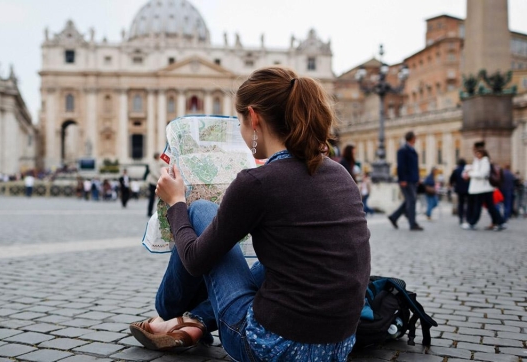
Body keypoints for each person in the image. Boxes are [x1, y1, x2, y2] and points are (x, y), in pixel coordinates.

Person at [129, 67, 371, 361]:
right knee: (284, 259)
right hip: (336, 346)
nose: (241, 132)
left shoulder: (257, 182)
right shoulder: (341, 173)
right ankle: (197, 320)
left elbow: (194, 260)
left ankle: (170, 314)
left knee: (201, 210)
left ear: (254, 118)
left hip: (269, 348)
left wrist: (177, 202)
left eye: (240, 122)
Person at [461, 142, 504, 231]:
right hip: (481, 188)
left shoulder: (485, 161)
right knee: (490, 206)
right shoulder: (478, 162)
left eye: (479, 154)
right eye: (476, 154)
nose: (477, 155)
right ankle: (499, 221)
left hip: (483, 189)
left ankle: (472, 222)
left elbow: (482, 174)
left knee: (480, 206)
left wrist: (470, 173)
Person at [388, 131, 423, 231]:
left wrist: (417, 178)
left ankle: (394, 217)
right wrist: (402, 179)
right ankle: (412, 224)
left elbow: (414, 166)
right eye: (415, 137)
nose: (416, 139)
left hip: (412, 179)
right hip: (406, 180)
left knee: (409, 200)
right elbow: (401, 166)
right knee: (412, 200)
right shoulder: (403, 150)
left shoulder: (412, 149)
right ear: (411, 138)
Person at [449, 159, 470, 225]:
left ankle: (461, 218)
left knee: (461, 203)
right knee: (468, 204)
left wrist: (452, 185)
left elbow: (451, 179)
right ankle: (467, 217)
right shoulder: (467, 169)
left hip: (459, 189)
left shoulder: (456, 170)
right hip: (468, 189)